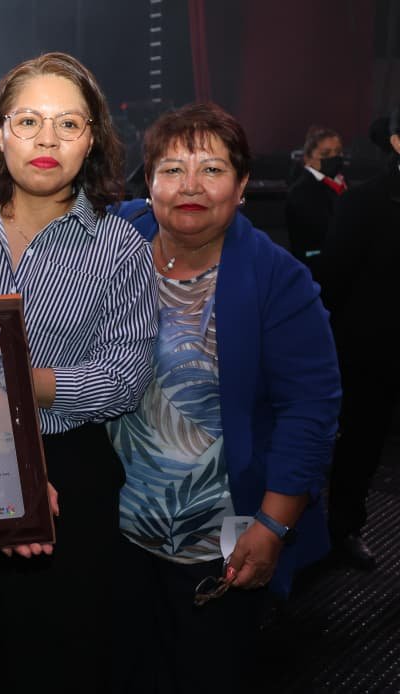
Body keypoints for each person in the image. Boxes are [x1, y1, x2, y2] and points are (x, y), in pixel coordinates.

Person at [0, 52, 158, 691]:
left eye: (68, 124)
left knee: (61, 654)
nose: (47, 140)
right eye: (28, 121)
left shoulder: (119, 245)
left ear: (92, 140)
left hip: (71, 468)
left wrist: (25, 383)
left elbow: (127, 373)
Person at [107, 102, 341, 693]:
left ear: (241, 187)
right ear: (148, 183)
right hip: (114, 532)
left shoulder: (277, 279)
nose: (190, 186)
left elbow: (309, 409)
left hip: (218, 539)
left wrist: (273, 525)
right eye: (171, 169)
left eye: (211, 169)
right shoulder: (113, 241)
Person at [320, 105, 400, 571]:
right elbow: (333, 281)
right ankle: (342, 528)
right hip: (373, 354)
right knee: (360, 447)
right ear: (396, 143)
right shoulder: (363, 203)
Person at [285, 125, 346, 279]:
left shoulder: (342, 183)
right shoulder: (301, 191)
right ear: (308, 158)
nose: (334, 157)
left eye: (338, 152)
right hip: (316, 270)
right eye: (326, 154)